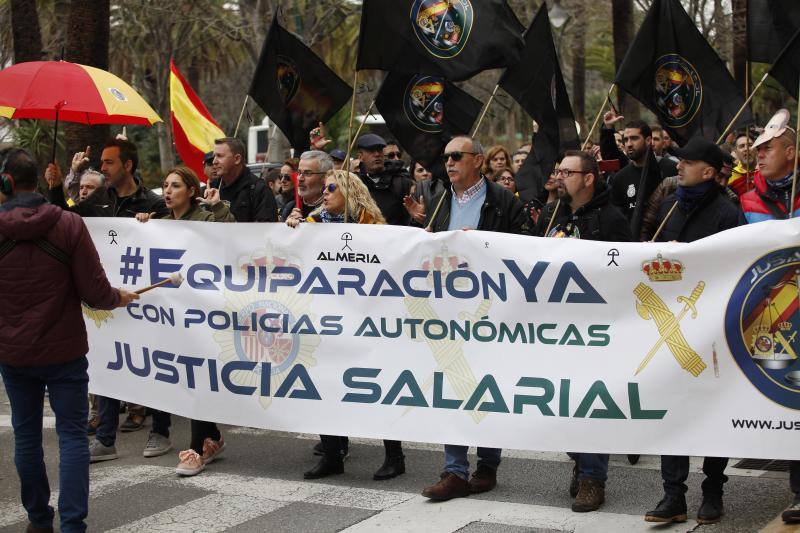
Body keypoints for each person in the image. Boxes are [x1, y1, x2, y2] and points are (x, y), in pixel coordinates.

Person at [0, 147, 138, 533]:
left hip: (13, 353)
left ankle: (38, 520)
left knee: (25, 435)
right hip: (65, 350)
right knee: (72, 436)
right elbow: (95, 292)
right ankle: (73, 524)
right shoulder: (68, 224)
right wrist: (118, 297)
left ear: (6, 182)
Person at [420, 135, 526, 502]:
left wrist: (482, 244)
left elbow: (523, 250)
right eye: (445, 157)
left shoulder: (503, 201)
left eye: (456, 156)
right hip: (449, 310)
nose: (448, 163)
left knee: (485, 387)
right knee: (452, 383)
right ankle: (454, 470)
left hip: (491, 310)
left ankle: (487, 466)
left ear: (478, 161)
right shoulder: (438, 200)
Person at [287, 170, 406, 480]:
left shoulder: (374, 228)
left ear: (349, 193)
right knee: (325, 384)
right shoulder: (311, 227)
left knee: (377, 387)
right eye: (323, 189)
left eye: (331, 188)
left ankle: (394, 455)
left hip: (368, 323)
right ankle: (332, 454)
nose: (323, 194)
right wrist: (292, 230)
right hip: (327, 324)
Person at [644, 138, 739, 524]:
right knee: (674, 411)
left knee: (712, 410)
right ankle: (673, 495)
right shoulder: (668, 208)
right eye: (679, 160)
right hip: (669, 326)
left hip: (711, 328)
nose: (679, 166)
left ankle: (712, 489)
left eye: (690, 161)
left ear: (711, 172)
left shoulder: (726, 214)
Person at [534, 150, 631, 512]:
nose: (559, 177)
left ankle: (593, 478)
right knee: (554, 406)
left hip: (594, 330)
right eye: (557, 170)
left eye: (567, 172)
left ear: (588, 178)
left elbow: (624, 271)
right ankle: (580, 456)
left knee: (589, 405)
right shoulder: (552, 214)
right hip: (555, 327)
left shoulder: (611, 219)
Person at [135, 166, 233, 477]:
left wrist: (218, 207)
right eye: (164, 185)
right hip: (170, 317)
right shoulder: (159, 223)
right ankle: (212, 437)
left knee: (196, 375)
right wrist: (142, 227)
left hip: (202, 313)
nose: (167, 191)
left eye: (175, 186)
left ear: (191, 191)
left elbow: (233, 235)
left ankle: (196, 449)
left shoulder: (206, 218)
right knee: (185, 376)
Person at [210, 137, 277, 222]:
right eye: (214, 156)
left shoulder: (259, 190)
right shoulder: (213, 187)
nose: (214, 161)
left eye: (219, 156)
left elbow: (266, 231)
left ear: (237, 159)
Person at [354, 133, 414, 225]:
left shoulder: (401, 182)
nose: (377, 154)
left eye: (379, 150)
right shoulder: (354, 184)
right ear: (360, 157)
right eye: (371, 151)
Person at [281, 150, 331, 221]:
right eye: (299, 172)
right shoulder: (290, 208)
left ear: (324, 178)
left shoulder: (332, 209)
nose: (300, 178)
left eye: (308, 173)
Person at [729, 131, 756, 197]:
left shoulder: (766, 169)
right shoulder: (730, 176)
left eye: (750, 145)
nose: (746, 149)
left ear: (756, 148)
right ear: (735, 151)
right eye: (742, 146)